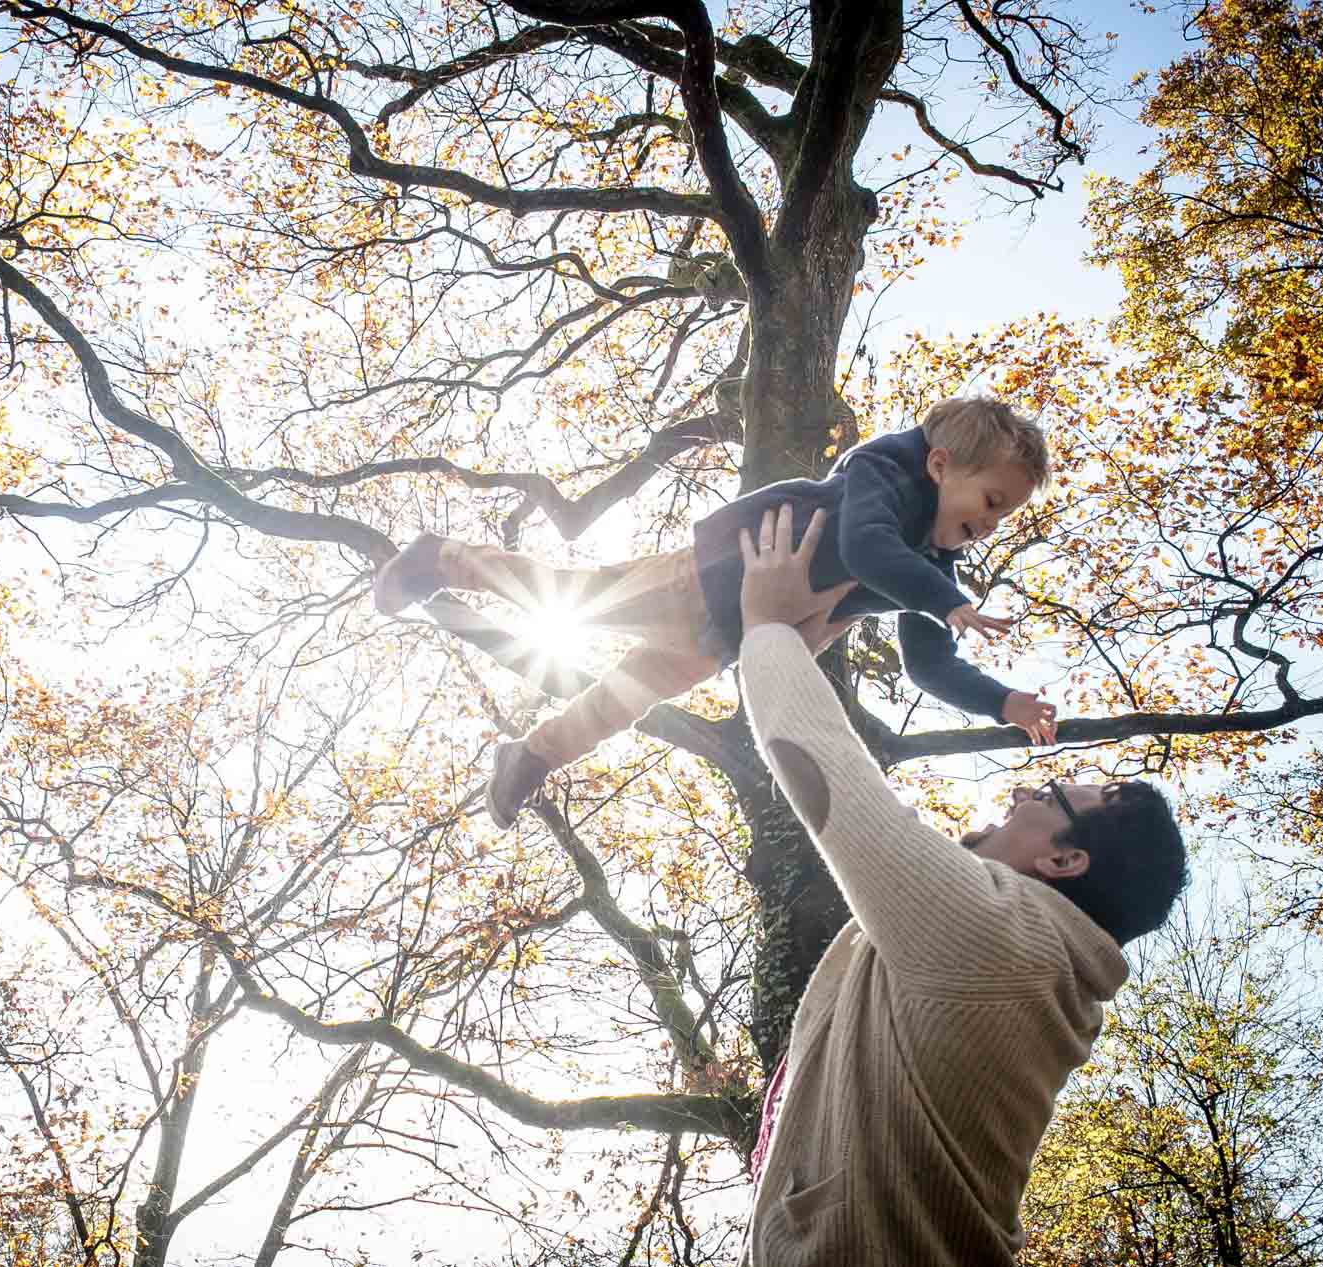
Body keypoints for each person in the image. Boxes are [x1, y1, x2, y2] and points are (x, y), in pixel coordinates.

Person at [732, 503, 1188, 1265]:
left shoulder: (1003, 936)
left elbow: (832, 783)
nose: (1019, 794)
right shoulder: (1031, 970)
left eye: (1049, 799)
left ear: (1065, 862)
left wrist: (768, 630)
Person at [372, 397, 1059, 829]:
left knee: (622, 700)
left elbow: (928, 662)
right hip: (706, 582)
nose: (990, 524)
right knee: (569, 597)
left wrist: (1003, 703)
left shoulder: (932, 567)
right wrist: (949, 600)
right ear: (940, 465)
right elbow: (865, 545)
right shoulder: (883, 478)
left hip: (727, 635)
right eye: (991, 502)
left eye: (1006, 515)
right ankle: (442, 557)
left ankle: (530, 754)